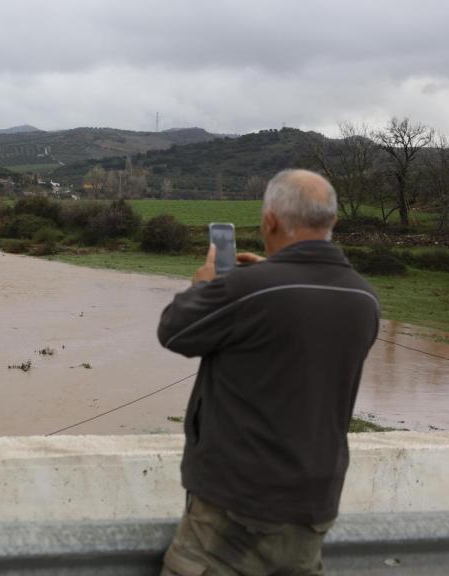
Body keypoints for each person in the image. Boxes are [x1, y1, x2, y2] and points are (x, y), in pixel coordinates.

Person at [156, 169, 380, 576]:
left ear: (269, 221)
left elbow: (174, 331)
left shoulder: (249, 290)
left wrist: (204, 285)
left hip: (235, 513)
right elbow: (296, 337)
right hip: (314, 511)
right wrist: (273, 277)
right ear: (333, 222)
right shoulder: (364, 298)